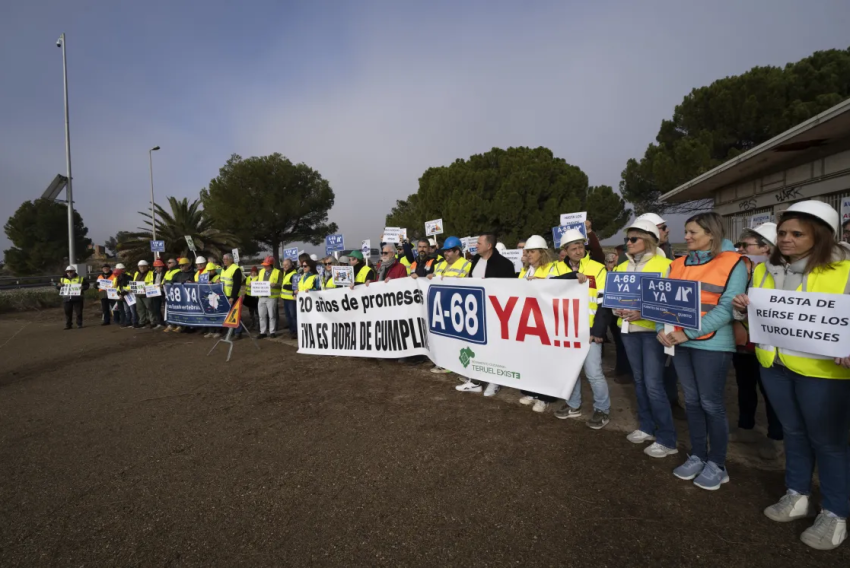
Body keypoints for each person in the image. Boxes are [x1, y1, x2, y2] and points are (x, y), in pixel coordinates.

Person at [733, 200, 850, 551]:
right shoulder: (764, 270)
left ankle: (835, 512)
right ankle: (797, 493)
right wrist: (743, 310)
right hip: (775, 366)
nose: (786, 239)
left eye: (797, 234)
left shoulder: (844, 270)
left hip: (823, 373)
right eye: (783, 232)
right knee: (794, 434)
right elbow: (759, 319)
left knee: (829, 443)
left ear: (821, 235)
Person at [658, 212, 747, 491]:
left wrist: (687, 333)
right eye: (686, 231)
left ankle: (717, 464)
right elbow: (663, 299)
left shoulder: (734, 262)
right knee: (693, 402)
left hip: (712, 344)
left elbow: (726, 308)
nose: (686, 237)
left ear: (711, 234)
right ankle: (697, 455)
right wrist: (662, 328)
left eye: (692, 232)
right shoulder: (678, 263)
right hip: (680, 342)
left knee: (711, 404)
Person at [610, 219, 677, 457]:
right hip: (628, 331)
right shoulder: (621, 267)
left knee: (654, 384)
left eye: (633, 239)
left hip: (652, 333)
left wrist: (644, 312)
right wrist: (617, 309)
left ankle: (667, 438)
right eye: (627, 239)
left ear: (648, 240)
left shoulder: (666, 265)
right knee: (639, 381)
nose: (628, 243)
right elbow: (614, 298)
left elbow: (670, 303)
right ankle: (647, 427)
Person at [729, 223, 783, 460]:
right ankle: (746, 427)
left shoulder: (783, 274)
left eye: (746, 245)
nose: (741, 249)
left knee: (772, 393)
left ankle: (776, 437)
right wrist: (738, 317)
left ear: (766, 248)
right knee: (745, 386)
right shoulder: (747, 271)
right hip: (745, 342)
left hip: (770, 345)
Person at [550, 229, 612, 429]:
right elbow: (547, 287)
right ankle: (573, 405)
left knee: (594, 372)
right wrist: (572, 275)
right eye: (573, 248)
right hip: (566, 329)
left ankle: (602, 409)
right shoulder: (556, 268)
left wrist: (598, 331)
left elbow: (604, 302)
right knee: (571, 371)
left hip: (589, 330)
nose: (578, 251)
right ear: (565, 251)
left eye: (580, 247)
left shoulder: (598, 268)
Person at [455, 233, 524, 395]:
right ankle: (475, 381)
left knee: (495, 348)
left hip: (496, 314)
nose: (476, 246)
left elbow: (509, 291)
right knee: (476, 346)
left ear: (489, 246)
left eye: (479, 243)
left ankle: (495, 381)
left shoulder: (504, 264)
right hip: (475, 313)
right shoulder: (475, 260)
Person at [516, 235, 566, 412]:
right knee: (530, 359)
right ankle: (531, 392)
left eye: (532, 251)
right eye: (527, 251)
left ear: (542, 252)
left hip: (547, 321)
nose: (528, 254)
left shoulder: (554, 268)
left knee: (546, 361)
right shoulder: (525, 270)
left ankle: (545, 397)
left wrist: (543, 283)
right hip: (528, 320)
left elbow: (562, 288)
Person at [422, 237, 470, 374]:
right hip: (440, 306)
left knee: (455, 338)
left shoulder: (466, 265)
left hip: (456, 307)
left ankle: (453, 364)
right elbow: (433, 279)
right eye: (445, 251)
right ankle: (443, 361)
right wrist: (430, 277)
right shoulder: (439, 265)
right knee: (441, 337)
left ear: (457, 251)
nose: (445, 254)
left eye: (448, 251)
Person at [166, 258, 195, 333]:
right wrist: (170, 282)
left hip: (187, 298)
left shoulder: (192, 273)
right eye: (180, 266)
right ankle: (177, 325)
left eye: (183, 265)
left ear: (187, 265)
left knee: (186, 311)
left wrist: (188, 282)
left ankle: (184, 326)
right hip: (178, 297)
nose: (181, 267)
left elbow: (193, 282)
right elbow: (172, 280)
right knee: (177, 311)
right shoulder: (178, 274)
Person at [56, 265, 89, 329]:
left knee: (79, 312)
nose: (69, 273)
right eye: (68, 271)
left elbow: (87, 285)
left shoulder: (80, 278)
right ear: (66, 272)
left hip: (78, 297)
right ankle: (68, 325)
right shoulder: (62, 279)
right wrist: (59, 286)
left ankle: (79, 324)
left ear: (74, 271)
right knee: (67, 312)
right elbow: (58, 287)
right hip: (66, 298)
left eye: (71, 271)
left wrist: (83, 287)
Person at [257, 256, 281, 339]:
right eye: (264, 265)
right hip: (261, 297)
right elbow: (258, 281)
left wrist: (276, 285)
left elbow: (281, 283)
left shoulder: (277, 272)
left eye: (266, 265)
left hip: (271, 297)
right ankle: (262, 332)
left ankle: (272, 332)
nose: (265, 266)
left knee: (272, 315)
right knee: (261, 315)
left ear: (271, 265)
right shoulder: (261, 272)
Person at [219, 253, 242, 338]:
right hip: (224, 295)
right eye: (223, 259)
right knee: (227, 314)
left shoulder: (236, 269)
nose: (224, 261)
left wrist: (232, 297)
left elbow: (237, 284)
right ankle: (230, 331)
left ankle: (238, 332)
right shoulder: (223, 269)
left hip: (232, 296)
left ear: (231, 260)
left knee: (234, 314)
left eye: (226, 259)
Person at [133, 260, 154, 329]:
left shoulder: (151, 273)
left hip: (147, 294)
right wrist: (130, 288)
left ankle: (152, 322)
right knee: (140, 309)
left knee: (150, 308)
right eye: (140, 266)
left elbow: (152, 282)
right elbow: (134, 282)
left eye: (143, 266)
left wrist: (146, 287)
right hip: (138, 294)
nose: (142, 268)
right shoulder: (136, 273)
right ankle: (142, 322)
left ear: (147, 267)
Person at [281, 258, 298, 339]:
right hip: (286, 299)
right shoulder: (286, 273)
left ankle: (295, 332)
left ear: (291, 265)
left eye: (287, 265)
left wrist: (285, 286)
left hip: (291, 299)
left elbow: (296, 286)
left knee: (293, 316)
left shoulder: (294, 274)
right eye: (284, 265)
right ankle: (291, 331)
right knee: (288, 316)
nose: (285, 266)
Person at [114, 263, 135, 328]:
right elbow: (117, 287)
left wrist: (122, 294)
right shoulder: (118, 277)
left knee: (132, 310)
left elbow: (130, 286)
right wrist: (119, 293)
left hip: (130, 295)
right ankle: (128, 322)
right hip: (123, 295)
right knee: (127, 310)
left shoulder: (129, 276)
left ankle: (135, 322)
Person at [149, 259, 166, 329]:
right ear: (155, 267)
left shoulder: (165, 273)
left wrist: (162, 284)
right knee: (156, 308)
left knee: (165, 307)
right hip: (155, 292)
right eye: (158, 267)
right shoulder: (153, 274)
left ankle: (167, 322)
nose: (160, 268)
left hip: (163, 292)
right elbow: (151, 282)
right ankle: (160, 322)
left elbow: (165, 280)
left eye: (160, 267)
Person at [243, 266, 260, 330]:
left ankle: (258, 325)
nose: (254, 273)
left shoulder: (259, 278)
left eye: (255, 272)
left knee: (257, 312)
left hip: (255, 297)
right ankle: (253, 323)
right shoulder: (247, 278)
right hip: (249, 296)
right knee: (251, 311)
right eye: (252, 272)